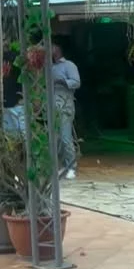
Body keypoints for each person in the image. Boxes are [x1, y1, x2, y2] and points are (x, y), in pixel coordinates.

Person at [51, 44, 80, 179]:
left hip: (65, 106)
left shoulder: (69, 65)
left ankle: (71, 167)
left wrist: (62, 82)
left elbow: (76, 82)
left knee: (65, 138)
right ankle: (62, 165)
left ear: (58, 50)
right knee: (55, 139)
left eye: (52, 47)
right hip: (52, 108)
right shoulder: (50, 67)